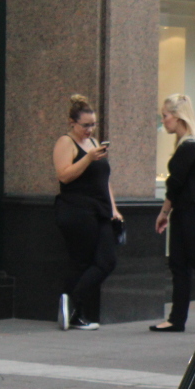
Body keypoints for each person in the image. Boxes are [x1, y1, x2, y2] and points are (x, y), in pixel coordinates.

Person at [152, 93, 195, 332]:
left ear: (178, 116)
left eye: (165, 116)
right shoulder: (190, 145)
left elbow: (175, 184)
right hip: (188, 214)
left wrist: (163, 212)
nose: (164, 121)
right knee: (179, 265)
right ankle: (176, 319)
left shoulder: (189, 147)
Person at [52, 94, 123, 330]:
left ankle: (70, 300)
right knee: (81, 262)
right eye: (85, 125)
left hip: (100, 210)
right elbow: (64, 175)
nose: (90, 130)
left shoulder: (93, 144)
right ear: (72, 123)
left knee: (106, 261)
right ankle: (76, 313)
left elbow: (105, 180)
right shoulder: (65, 142)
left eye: (93, 125)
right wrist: (88, 159)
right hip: (76, 210)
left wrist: (114, 209)